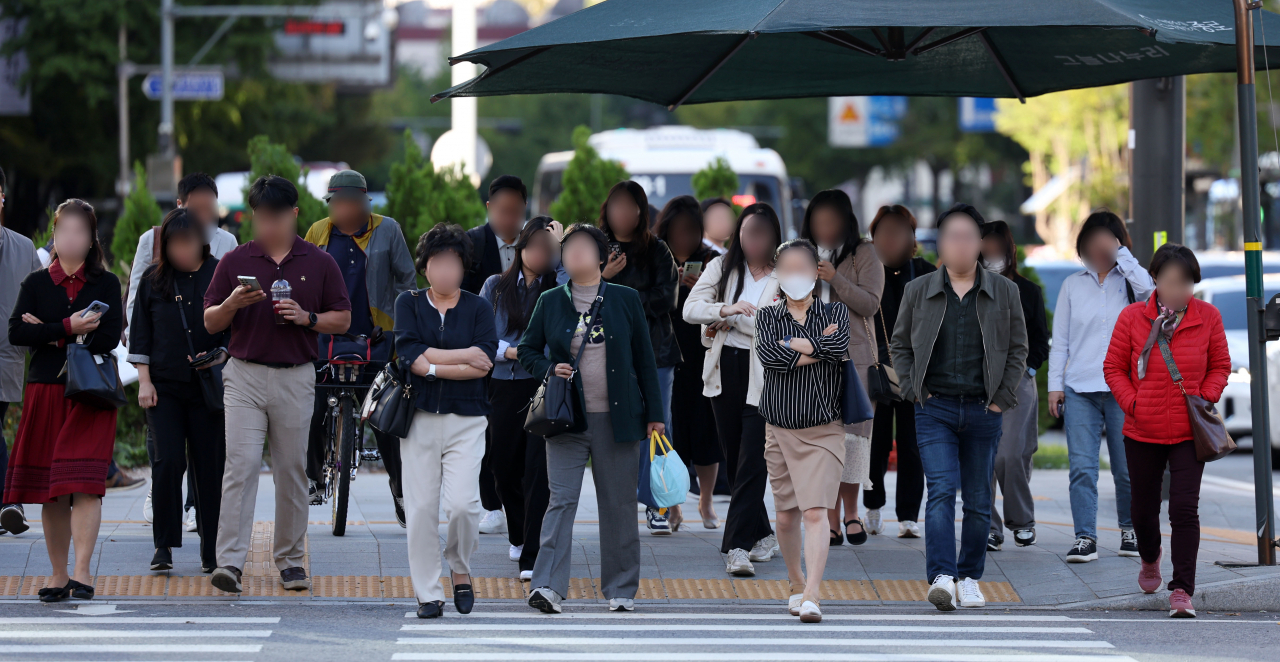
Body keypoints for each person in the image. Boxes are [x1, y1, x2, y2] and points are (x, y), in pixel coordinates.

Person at [203, 175, 352, 595]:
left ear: (295, 214)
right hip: (245, 376)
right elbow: (210, 320)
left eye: (276, 217)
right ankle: (230, 562)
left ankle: (289, 561)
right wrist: (233, 303)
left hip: (295, 376)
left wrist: (307, 318)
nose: (268, 226)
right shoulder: (235, 260)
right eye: (261, 217)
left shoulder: (319, 262)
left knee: (291, 471)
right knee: (241, 467)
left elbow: (342, 317)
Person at [518, 223, 664, 614]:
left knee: (617, 504)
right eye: (568, 248)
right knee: (560, 500)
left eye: (584, 247)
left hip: (618, 420)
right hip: (567, 418)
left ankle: (620, 588)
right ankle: (547, 585)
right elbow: (527, 350)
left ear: (601, 257)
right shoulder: (550, 300)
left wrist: (656, 414)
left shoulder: (625, 299)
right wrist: (550, 367)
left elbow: (645, 360)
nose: (576, 253)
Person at [890, 203, 1028, 612]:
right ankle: (942, 577)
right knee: (941, 491)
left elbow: (1018, 348)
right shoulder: (919, 290)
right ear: (941, 242)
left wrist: (1002, 399)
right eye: (952, 236)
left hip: (985, 410)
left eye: (968, 236)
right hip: (934, 408)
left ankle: (969, 577)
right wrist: (914, 388)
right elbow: (899, 344)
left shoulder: (1005, 291)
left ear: (980, 243)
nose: (960, 244)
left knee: (979, 499)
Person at [5, 199, 123, 601]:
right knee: (51, 488)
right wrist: (69, 328)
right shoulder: (36, 283)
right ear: (53, 237)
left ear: (92, 240)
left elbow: (109, 337)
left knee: (87, 483)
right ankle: (57, 574)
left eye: (80, 232)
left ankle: (82, 571)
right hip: (46, 390)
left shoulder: (105, 284)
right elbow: (17, 333)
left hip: (90, 393)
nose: (71, 238)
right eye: (64, 231)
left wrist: (50, 331)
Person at [1103, 244, 1229, 619]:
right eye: (1172, 281)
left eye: (1186, 282)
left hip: (1190, 432)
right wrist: (1134, 404)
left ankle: (1182, 590)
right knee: (1142, 509)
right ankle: (1149, 558)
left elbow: (1221, 364)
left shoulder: (1208, 317)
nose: (1179, 289)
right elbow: (1113, 368)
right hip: (1142, 429)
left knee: (1185, 509)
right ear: (1155, 279)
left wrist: (1204, 397)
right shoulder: (1131, 318)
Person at [395, 223, 498, 619]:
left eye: (454, 263)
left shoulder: (478, 307)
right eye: (438, 262)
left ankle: (460, 567)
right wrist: (455, 358)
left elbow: (484, 362)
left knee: (463, 506)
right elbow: (411, 358)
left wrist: (432, 361)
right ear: (425, 267)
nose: (446, 270)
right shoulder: (410, 303)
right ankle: (427, 592)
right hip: (419, 418)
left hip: (468, 419)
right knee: (420, 509)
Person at [302, 169, 416, 524]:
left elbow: (407, 280)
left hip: (376, 338)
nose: (347, 211)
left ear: (365, 203)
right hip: (326, 336)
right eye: (340, 204)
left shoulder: (388, 229)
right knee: (315, 403)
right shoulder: (318, 233)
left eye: (354, 204)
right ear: (332, 205)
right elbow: (303, 280)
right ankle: (315, 477)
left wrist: (399, 329)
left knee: (384, 416)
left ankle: (399, 487)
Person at [130, 173, 235, 526]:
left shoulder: (226, 242)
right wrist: (139, 352)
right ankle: (163, 498)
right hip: (164, 361)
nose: (205, 216)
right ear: (181, 206)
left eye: (211, 209)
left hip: (208, 368)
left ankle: (197, 512)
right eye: (198, 208)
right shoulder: (154, 240)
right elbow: (137, 296)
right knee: (165, 446)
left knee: (207, 452)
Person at [754, 239, 851, 623]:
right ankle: (795, 582)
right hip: (779, 427)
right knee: (785, 516)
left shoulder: (836, 311)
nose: (796, 275)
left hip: (825, 428)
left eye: (803, 267)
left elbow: (840, 343)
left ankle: (813, 593)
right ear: (778, 273)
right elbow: (771, 358)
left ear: (816, 272)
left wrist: (800, 346)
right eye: (787, 267)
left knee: (816, 512)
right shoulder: (768, 316)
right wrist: (818, 346)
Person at [683, 202, 783, 576]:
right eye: (748, 232)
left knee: (754, 460)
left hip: (766, 375)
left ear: (774, 237)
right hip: (726, 371)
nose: (754, 240)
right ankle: (764, 535)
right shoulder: (723, 266)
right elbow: (692, 309)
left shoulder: (787, 271)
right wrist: (726, 310)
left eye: (763, 233)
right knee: (737, 457)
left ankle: (735, 546)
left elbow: (782, 328)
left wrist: (735, 322)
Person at [1048, 210, 1153, 563]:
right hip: (1079, 387)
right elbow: (1060, 341)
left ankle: (1129, 530)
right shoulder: (1072, 285)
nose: (1099, 248)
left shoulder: (1130, 282)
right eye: (1092, 242)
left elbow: (1153, 295)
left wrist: (1122, 256)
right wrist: (1054, 386)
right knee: (1082, 467)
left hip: (1123, 388)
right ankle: (1085, 538)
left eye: (1105, 241)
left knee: (1126, 468)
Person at [596, 181, 682, 534]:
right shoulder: (596, 246)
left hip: (655, 348)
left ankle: (657, 503)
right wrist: (605, 277)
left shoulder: (655, 249)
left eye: (630, 206)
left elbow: (668, 297)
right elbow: (577, 290)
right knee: (610, 424)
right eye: (616, 205)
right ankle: (618, 502)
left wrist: (623, 296)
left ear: (640, 211)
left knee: (657, 424)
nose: (622, 212)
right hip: (606, 350)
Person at [800, 189, 883, 547]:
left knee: (852, 440)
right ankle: (830, 519)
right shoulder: (800, 254)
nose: (825, 228)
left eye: (831, 221)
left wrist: (834, 277)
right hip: (814, 360)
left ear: (846, 222)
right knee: (823, 442)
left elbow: (870, 303)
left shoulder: (864, 253)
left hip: (855, 362)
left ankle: (852, 513)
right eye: (819, 222)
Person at [479, 216, 559, 580]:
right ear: (521, 247)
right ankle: (518, 531)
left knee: (535, 471)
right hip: (501, 384)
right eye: (535, 245)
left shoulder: (557, 288)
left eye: (549, 248)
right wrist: (513, 353)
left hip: (540, 385)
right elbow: (482, 339)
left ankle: (532, 551)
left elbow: (556, 337)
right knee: (501, 464)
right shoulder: (495, 286)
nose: (540, 253)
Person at [463, 175, 529, 536]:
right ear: (489, 209)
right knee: (483, 432)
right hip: (478, 348)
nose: (509, 219)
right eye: (503, 211)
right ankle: (491, 504)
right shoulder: (471, 244)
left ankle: (515, 499)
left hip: (517, 356)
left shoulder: (534, 246)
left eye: (516, 212)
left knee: (510, 435)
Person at [864, 204, 933, 539]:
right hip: (875, 372)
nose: (890, 239)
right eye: (884, 232)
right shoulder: (866, 273)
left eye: (899, 231)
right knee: (874, 442)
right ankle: (872, 505)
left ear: (912, 238)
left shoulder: (926, 272)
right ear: (873, 236)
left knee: (911, 445)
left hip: (916, 375)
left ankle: (908, 515)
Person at [981, 221, 1050, 552]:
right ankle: (988, 526)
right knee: (981, 457)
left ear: (1009, 250)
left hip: (1018, 379)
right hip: (975, 380)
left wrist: (1030, 369)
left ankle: (1022, 521)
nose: (991, 253)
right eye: (986, 247)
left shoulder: (1028, 291)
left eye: (997, 247)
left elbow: (1040, 340)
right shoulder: (968, 287)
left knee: (1011, 454)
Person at [654, 196, 723, 528]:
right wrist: (673, 287)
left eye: (692, 230)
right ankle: (674, 504)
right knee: (672, 434)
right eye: (679, 230)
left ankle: (706, 502)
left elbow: (727, 304)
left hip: (704, 358)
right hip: (666, 356)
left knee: (707, 433)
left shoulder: (713, 261)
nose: (685, 237)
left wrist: (702, 292)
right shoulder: (655, 258)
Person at [0, 165, 43, 537]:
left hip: (6, 352)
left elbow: (37, 297)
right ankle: (8, 503)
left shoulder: (22, 246)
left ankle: (7, 503)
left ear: (1, 197)